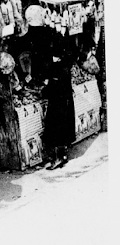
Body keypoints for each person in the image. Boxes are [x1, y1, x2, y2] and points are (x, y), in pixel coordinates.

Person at [42, 31, 76, 170]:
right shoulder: (65, 63)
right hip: (64, 97)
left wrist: (47, 82)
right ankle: (62, 155)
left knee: (55, 125)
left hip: (58, 97)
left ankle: (57, 158)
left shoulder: (58, 65)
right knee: (63, 125)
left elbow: (52, 80)